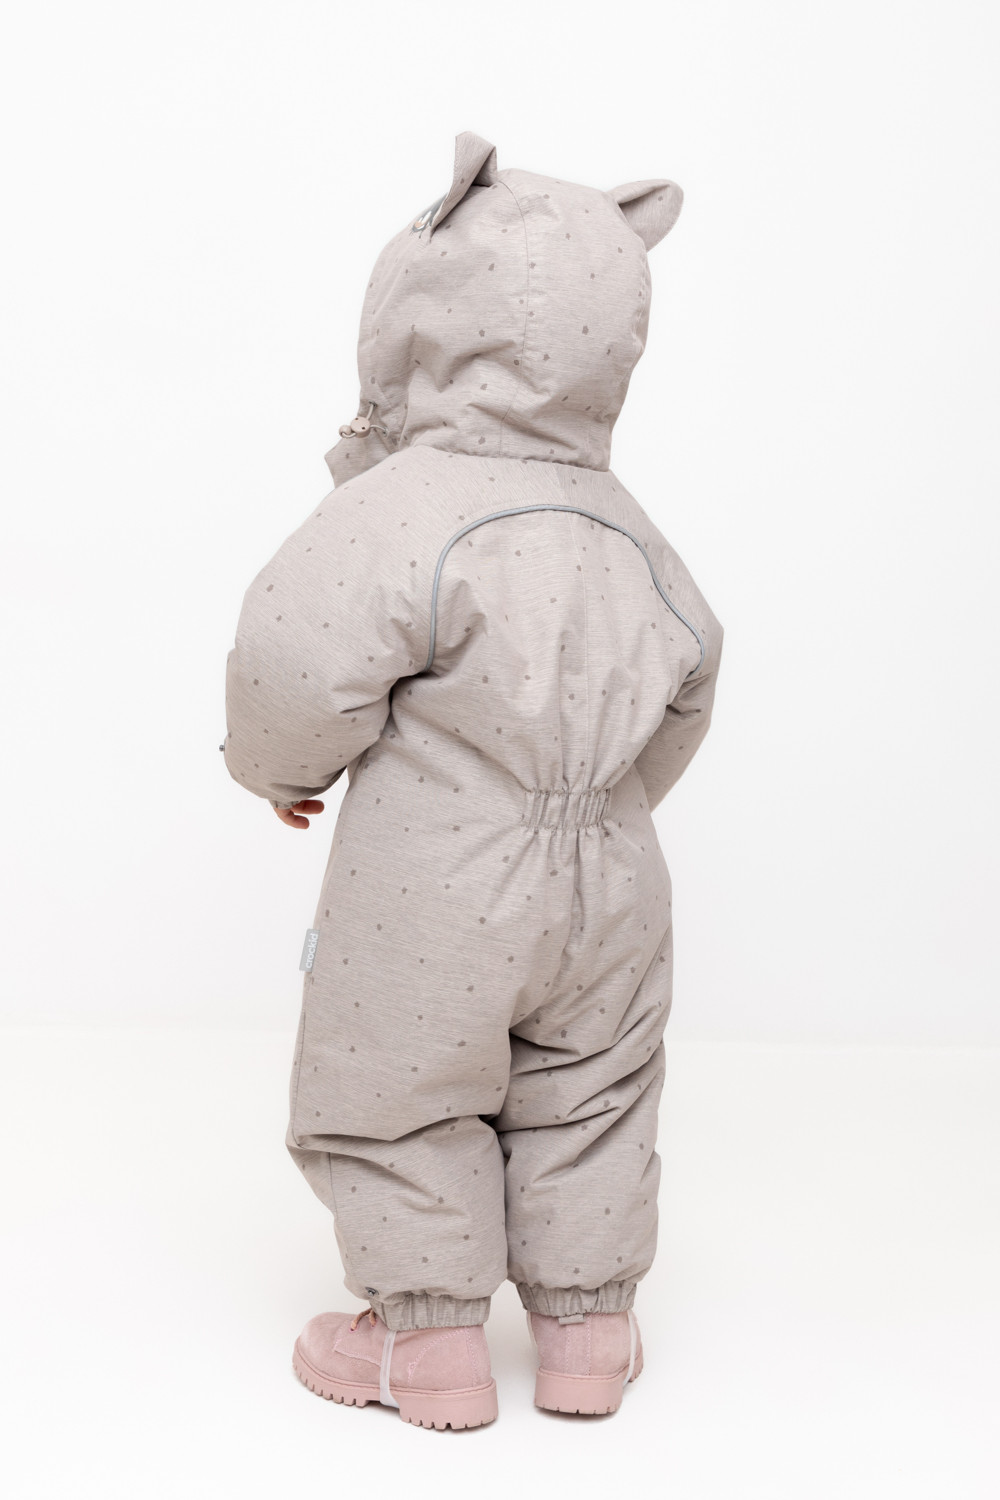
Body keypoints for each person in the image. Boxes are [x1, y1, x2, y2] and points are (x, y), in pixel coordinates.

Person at [221, 130, 724, 1430]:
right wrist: (605, 805)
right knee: (592, 1090)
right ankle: (589, 1332)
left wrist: (278, 768)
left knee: (398, 1081)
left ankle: (426, 1344)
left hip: (436, 873)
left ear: (421, 320)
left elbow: (294, 654)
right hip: (613, 871)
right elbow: (690, 678)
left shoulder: (403, 506)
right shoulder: (629, 525)